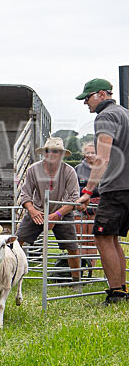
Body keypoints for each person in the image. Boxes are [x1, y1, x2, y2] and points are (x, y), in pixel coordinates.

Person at [75, 78, 129, 304]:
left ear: (100, 94)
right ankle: (123, 289)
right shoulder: (125, 113)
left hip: (116, 187)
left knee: (102, 237)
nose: (85, 103)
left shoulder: (106, 116)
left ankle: (116, 293)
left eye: (87, 98)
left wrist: (88, 191)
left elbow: (104, 159)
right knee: (113, 239)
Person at [16, 137, 81, 286]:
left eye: (56, 151)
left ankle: (76, 281)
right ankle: (12, 275)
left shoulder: (69, 171)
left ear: (61, 154)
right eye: (48, 151)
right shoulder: (33, 169)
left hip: (62, 211)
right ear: (44, 153)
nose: (51, 154)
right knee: (17, 241)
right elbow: (25, 194)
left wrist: (56, 215)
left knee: (72, 246)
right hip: (37, 211)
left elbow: (74, 198)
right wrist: (32, 211)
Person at [73, 142, 100, 256]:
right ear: (84, 154)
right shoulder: (78, 169)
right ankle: (81, 267)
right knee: (81, 238)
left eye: (93, 152)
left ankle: (91, 267)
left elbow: (103, 188)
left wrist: (87, 190)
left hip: (96, 208)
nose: (90, 155)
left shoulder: (102, 169)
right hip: (81, 207)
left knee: (93, 239)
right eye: (87, 152)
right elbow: (74, 187)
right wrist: (88, 191)